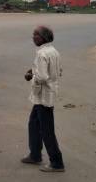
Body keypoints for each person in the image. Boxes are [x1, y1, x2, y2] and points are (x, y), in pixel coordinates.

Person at [21, 26, 65, 172]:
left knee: (47, 130)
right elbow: (58, 71)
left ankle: (57, 162)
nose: (34, 37)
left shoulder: (42, 54)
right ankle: (35, 155)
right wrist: (34, 70)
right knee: (33, 124)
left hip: (44, 96)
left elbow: (42, 77)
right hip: (46, 95)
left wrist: (31, 76)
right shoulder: (53, 51)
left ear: (44, 37)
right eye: (33, 35)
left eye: (37, 35)